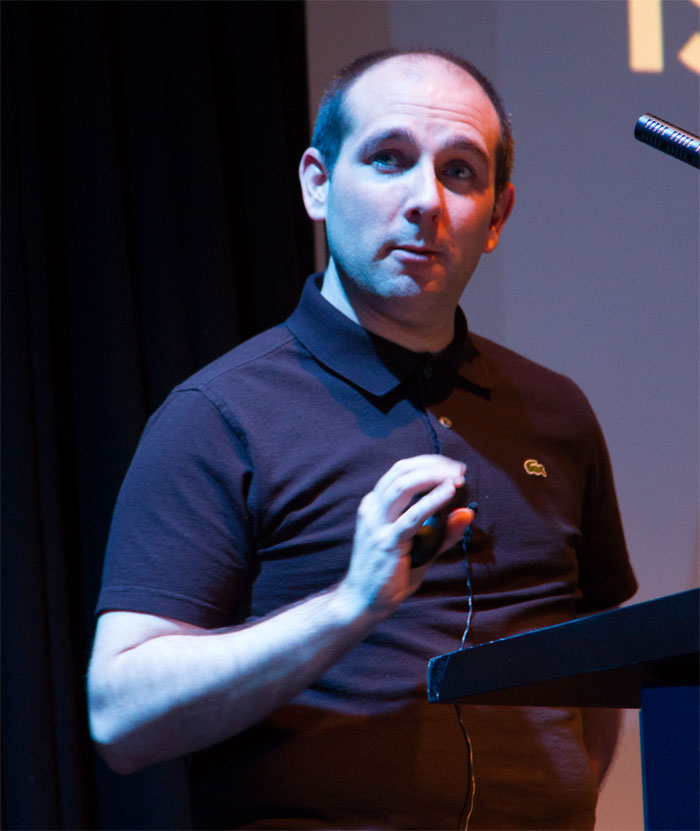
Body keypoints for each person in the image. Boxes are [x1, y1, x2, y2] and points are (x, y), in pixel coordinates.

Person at [88, 49, 637, 830]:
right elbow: (119, 716)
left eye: (460, 172)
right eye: (389, 160)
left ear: (498, 215)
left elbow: (597, 671)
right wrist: (350, 604)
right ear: (318, 183)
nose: (426, 202)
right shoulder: (220, 414)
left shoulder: (558, 414)